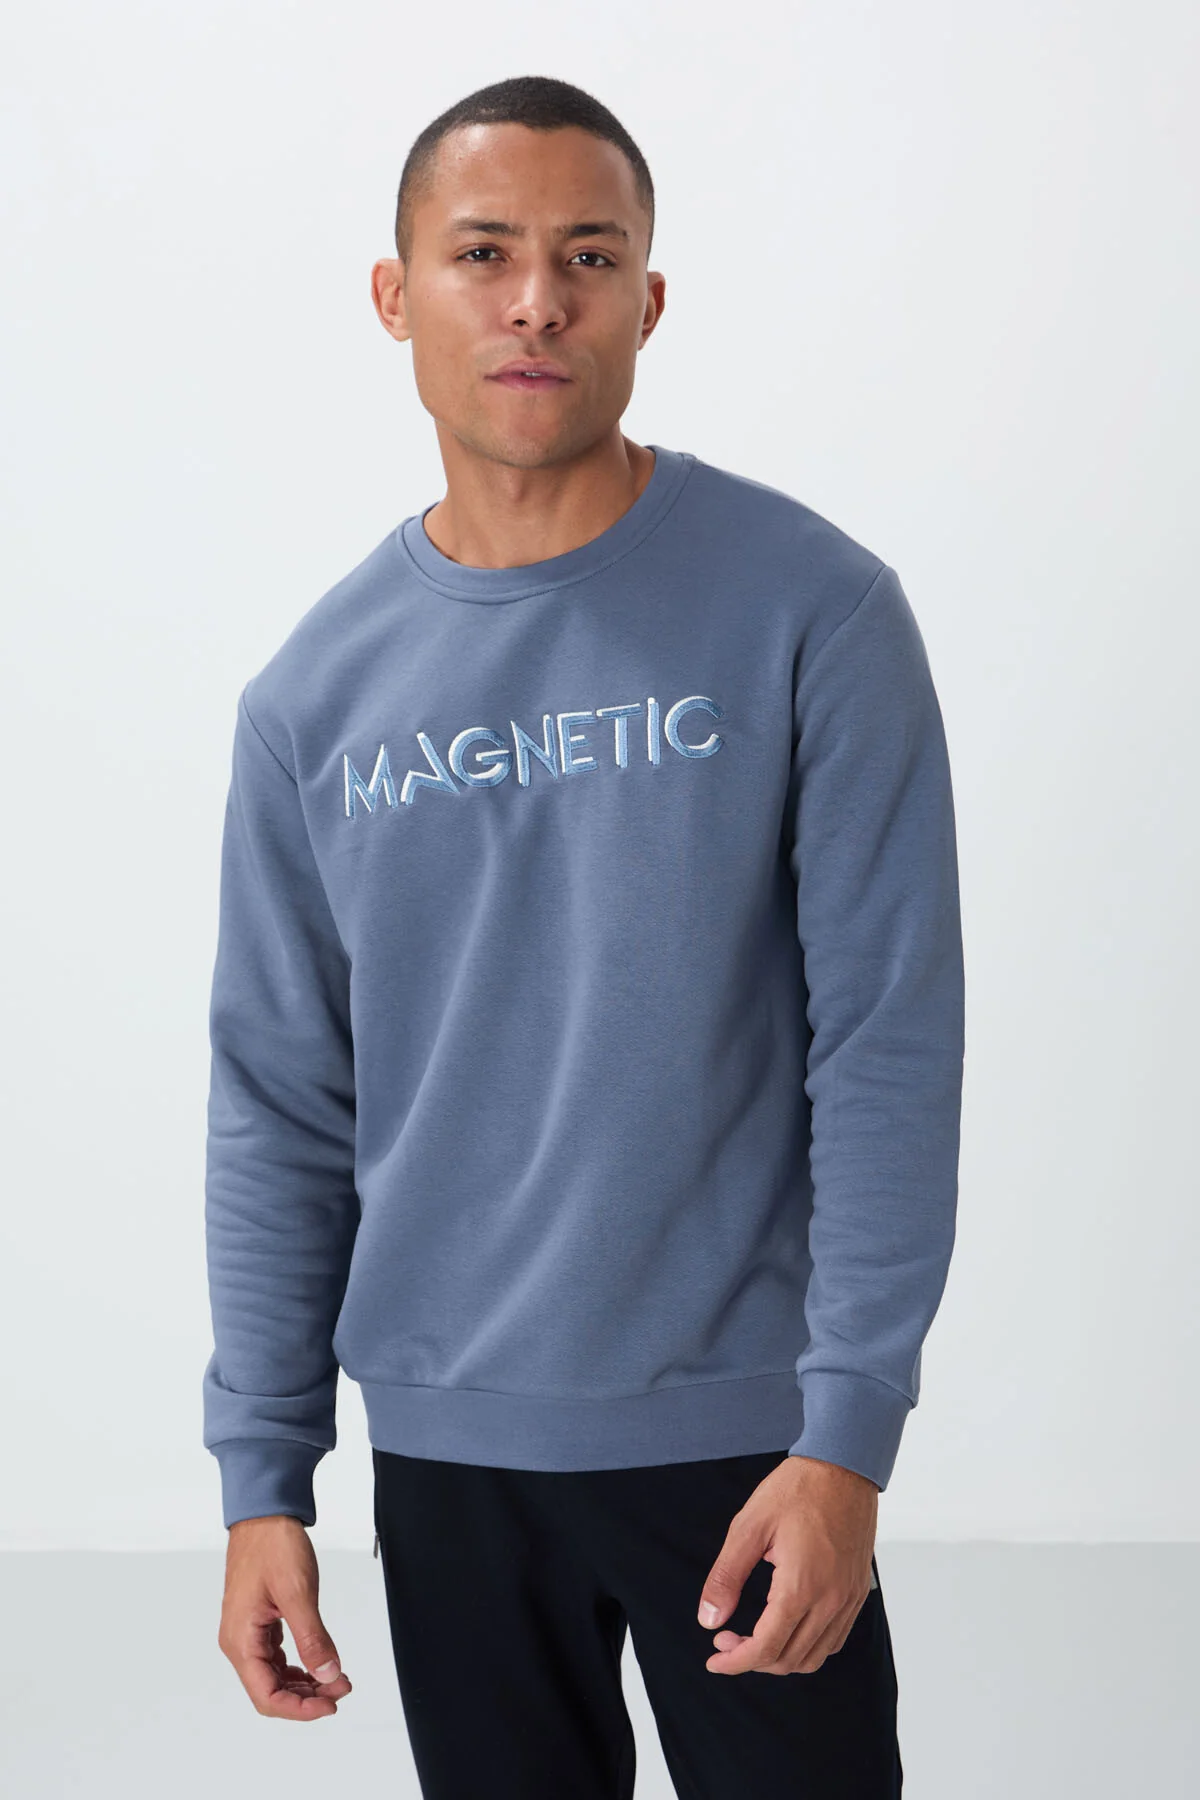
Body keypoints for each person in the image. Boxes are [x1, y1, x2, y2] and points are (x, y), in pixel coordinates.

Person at [202, 72, 964, 1799]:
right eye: (483, 252)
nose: (537, 298)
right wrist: (263, 1478)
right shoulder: (310, 701)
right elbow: (279, 1108)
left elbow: (888, 1043)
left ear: (648, 300)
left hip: (749, 1444)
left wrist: (848, 1439)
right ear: (395, 294)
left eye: (588, 256)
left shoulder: (814, 611)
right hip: (447, 1462)